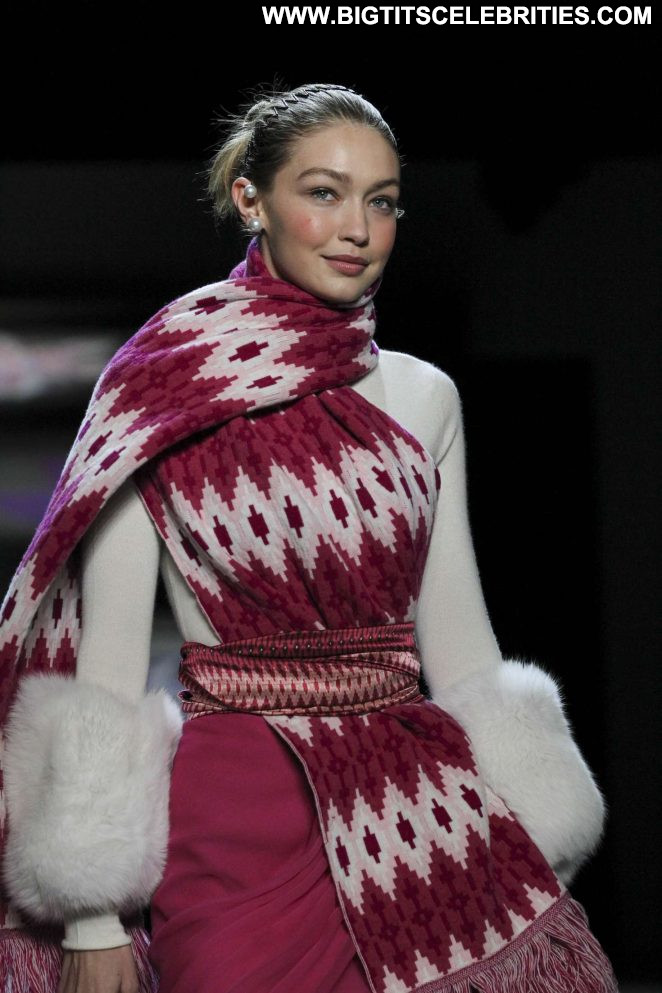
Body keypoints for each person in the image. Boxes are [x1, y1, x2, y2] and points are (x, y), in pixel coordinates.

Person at [0, 83, 618, 993]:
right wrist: (92, 911)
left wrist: (539, 827)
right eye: (323, 192)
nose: (357, 229)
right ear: (250, 199)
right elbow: (109, 669)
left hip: (419, 813)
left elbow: (461, 648)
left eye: (382, 201)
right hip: (233, 821)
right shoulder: (165, 385)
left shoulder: (425, 396)